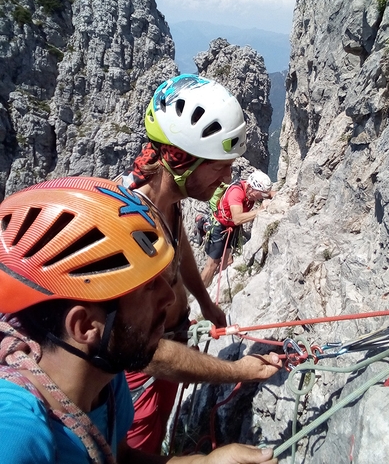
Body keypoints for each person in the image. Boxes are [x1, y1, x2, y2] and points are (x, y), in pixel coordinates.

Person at [0, 176, 279, 464]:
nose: (169, 298)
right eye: (148, 287)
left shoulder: (106, 377)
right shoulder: (18, 437)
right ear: (85, 326)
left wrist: (204, 462)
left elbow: (121, 458)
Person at [118, 74, 282, 453]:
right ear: (181, 159)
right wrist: (237, 371)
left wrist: (204, 302)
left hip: (172, 345)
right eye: (219, 166)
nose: (227, 178)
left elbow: (180, 251)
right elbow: (146, 352)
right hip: (140, 382)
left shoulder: (164, 201)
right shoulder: (128, 229)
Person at [201, 170, 273, 288]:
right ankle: (200, 292)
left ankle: (217, 287)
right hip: (220, 226)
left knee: (227, 262)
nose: (261, 197)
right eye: (260, 195)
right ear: (250, 187)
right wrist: (260, 211)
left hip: (232, 227)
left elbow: (269, 193)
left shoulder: (253, 191)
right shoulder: (236, 193)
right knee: (212, 264)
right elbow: (237, 219)